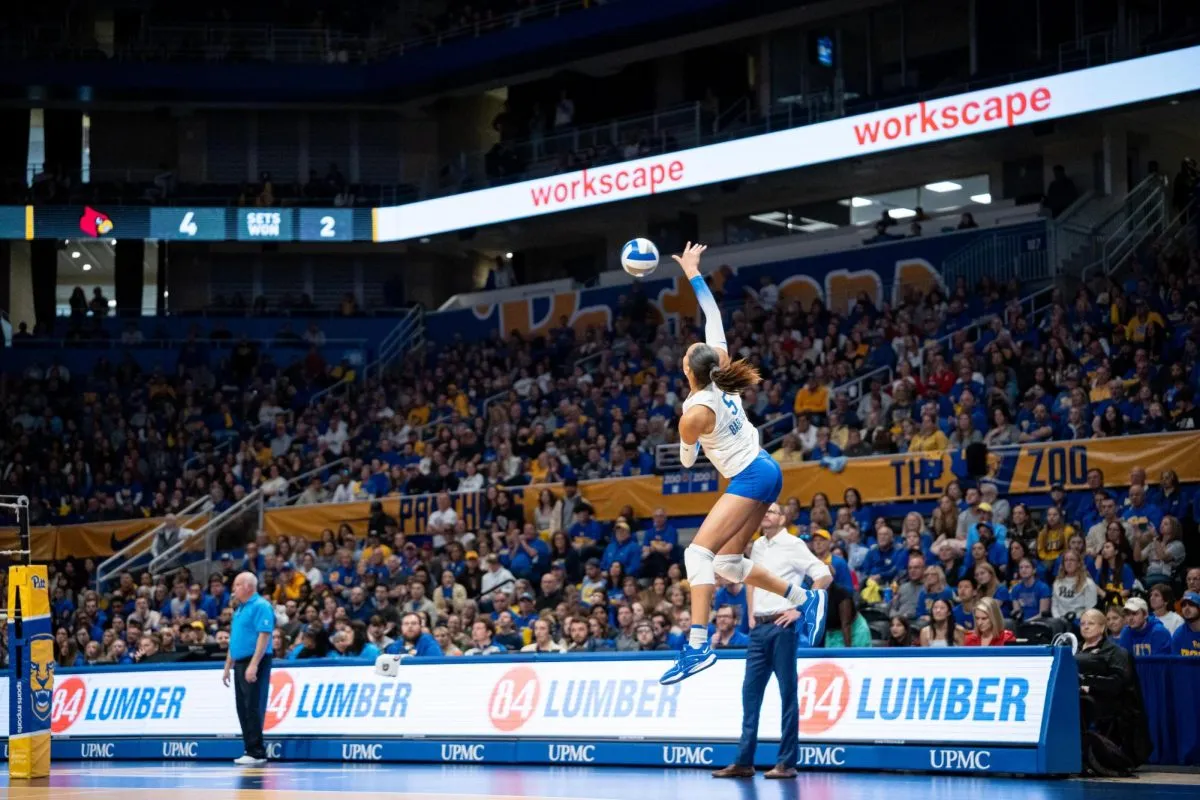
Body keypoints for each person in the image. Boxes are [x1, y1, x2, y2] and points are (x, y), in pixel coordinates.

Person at [660, 243, 825, 686]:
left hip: (752, 474)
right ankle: (802, 598)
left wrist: (685, 440)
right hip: (764, 464)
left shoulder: (692, 413)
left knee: (697, 553)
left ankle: (697, 645)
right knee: (728, 565)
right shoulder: (723, 369)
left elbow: (687, 457)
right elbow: (712, 314)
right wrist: (694, 274)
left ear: (687, 371)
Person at [712, 502, 832, 780]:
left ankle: (786, 762)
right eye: (764, 511)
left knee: (787, 694)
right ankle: (743, 761)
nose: (766, 514)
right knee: (750, 694)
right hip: (760, 628)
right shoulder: (757, 546)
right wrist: (752, 612)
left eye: (773, 511)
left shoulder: (793, 544)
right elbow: (751, 578)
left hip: (782, 626)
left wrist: (799, 608)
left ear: (783, 518)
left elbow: (824, 575)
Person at [223, 572, 275, 766]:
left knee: (252, 705)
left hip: (255, 660)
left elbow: (264, 636)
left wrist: (254, 664)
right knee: (242, 706)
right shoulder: (239, 609)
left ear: (248, 587)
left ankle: (256, 751)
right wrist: (228, 665)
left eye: (237, 585)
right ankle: (249, 748)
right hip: (240, 661)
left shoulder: (261, 606)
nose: (233, 589)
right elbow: (235, 638)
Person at [1170, 592, 1200, 656]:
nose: (1186, 608)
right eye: (1183, 605)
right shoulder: (1179, 634)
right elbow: (1175, 662)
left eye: (1191, 604)